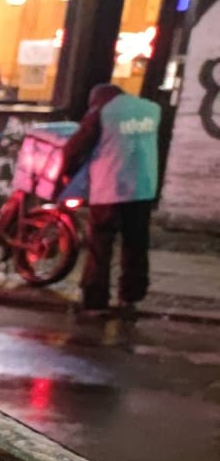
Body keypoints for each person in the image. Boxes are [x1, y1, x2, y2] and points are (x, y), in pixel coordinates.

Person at [61, 82, 162, 318]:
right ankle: (130, 297)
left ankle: (95, 303)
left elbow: (76, 146)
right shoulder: (151, 109)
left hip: (111, 187)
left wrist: (67, 172)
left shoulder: (102, 111)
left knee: (101, 244)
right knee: (136, 242)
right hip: (144, 185)